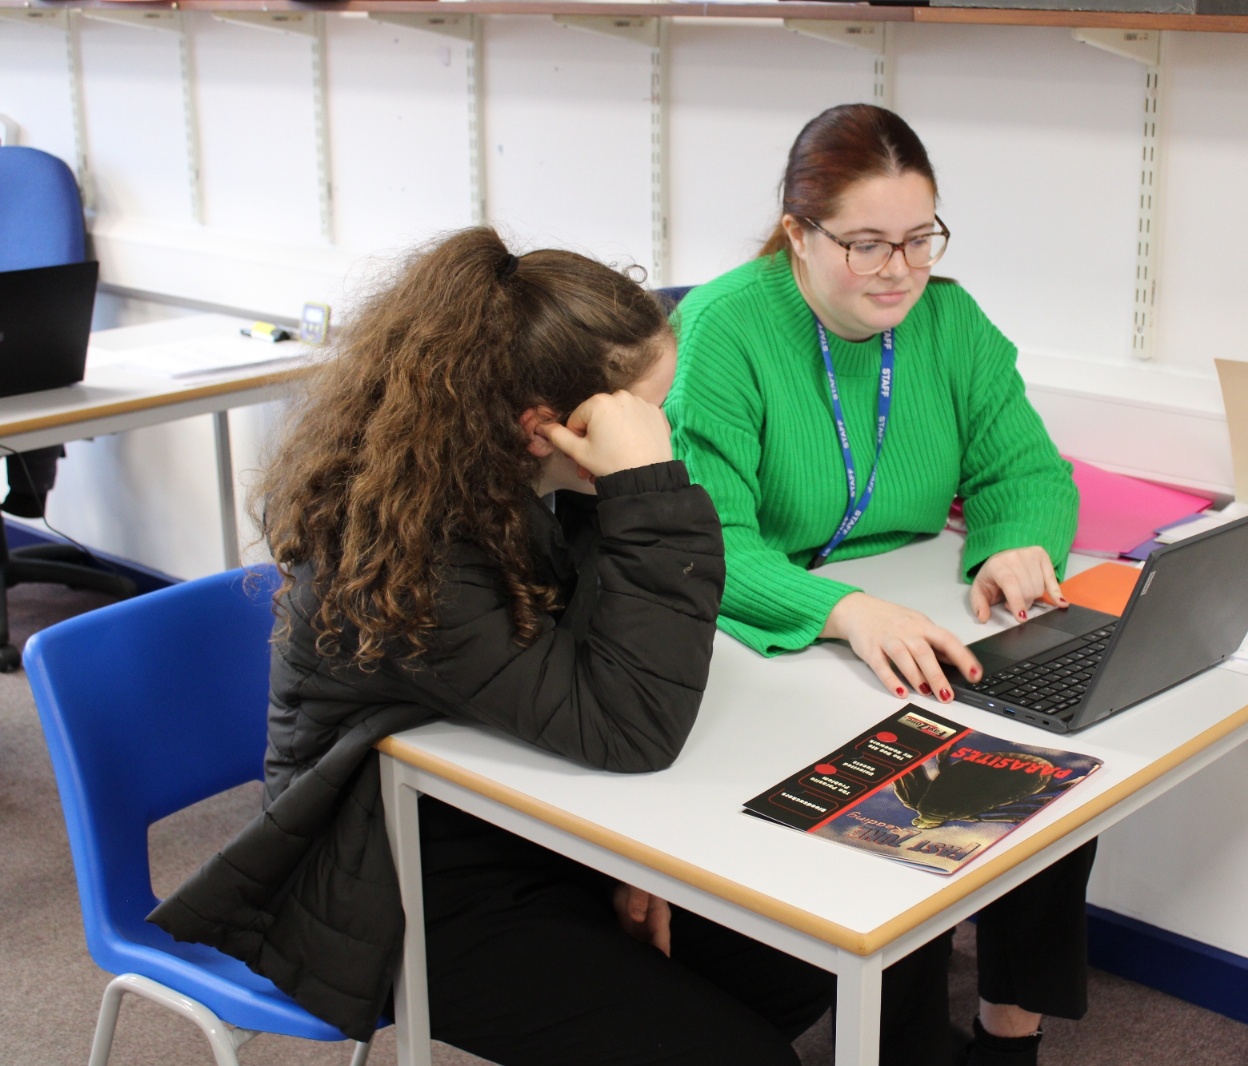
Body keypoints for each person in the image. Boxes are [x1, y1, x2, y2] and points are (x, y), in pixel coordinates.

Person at [149, 228, 836, 1065]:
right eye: (642, 412)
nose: (657, 433)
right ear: (544, 427)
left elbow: (611, 661)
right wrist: (643, 490)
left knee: (798, 969)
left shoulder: (518, 481)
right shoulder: (413, 558)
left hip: (525, 813)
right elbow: (633, 726)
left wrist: (635, 857)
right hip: (402, 881)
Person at [666, 104, 1096, 1066]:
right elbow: (707, 543)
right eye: (865, 244)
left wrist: (1016, 542)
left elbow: (1026, 469)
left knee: (1055, 749)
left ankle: (1008, 1034)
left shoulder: (950, 319)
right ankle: (905, 1042)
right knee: (908, 788)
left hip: (914, 608)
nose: (899, 270)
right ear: (798, 234)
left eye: (918, 239)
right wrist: (843, 610)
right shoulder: (724, 328)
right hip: (766, 629)